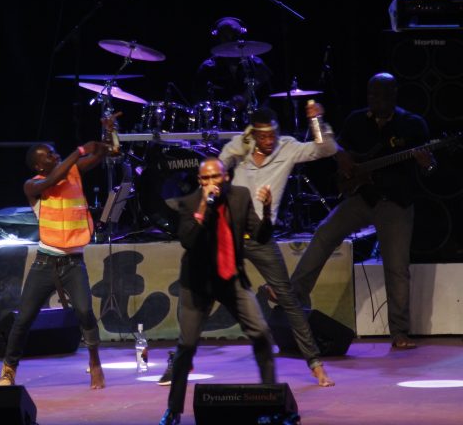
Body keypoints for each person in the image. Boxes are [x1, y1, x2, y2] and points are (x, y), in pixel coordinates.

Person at [290, 72, 435, 350]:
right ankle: (293, 298)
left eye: (380, 95)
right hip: (362, 198)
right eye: (371, 94)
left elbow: (429, 169)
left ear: (393, 95)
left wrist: (426, 163)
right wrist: (341, 157)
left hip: (395, 202)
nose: (374, 100)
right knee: (324, 233)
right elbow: (334, 148)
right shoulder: (356, 120)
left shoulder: (412, 124)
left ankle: (399, 332)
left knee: (396, 268)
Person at [221, 105, 336, 386]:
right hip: (231, 234)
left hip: (261, 236)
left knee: (289, 299)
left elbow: (327, 149)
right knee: (201, 290)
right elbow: (219, 166)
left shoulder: (287, 148)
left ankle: (315, 364)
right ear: (253, 134)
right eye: (263, 136)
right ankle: (182, 361)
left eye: (272, 134)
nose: (269, 140)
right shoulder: (241, 146)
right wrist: (239, 149)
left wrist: (316, 121)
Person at [159, 156, 277, 425]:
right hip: (197, 284)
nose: (211, 182)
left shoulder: (240, 197)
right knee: (187, 345)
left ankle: (271, 404)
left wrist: (268, 210)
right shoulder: (189, 202)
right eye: (205, 178)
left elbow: (260, 236)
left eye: (215, 177)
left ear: (226, 178)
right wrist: (204, 205)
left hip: (230, 278)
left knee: (261, 333)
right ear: (199, 181)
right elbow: (188, 240)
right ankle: (173, 409)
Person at [0, 139, 112, 390]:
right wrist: (79, 150)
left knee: (84, 312)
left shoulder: (73, 172)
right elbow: (53, 178)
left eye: (55, 152)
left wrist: (108, 134)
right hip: (44, 263)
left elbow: (101, 154)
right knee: (24, 319)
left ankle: (95, 361)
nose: (55, 156)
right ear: (39, 165)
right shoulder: (33, 185)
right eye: (49, 155)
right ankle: (8, 371)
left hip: (73, 262)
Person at [193, 16, 273, 128]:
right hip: (218, 125)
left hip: (253, 124)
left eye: (234, 36)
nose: (231, 40)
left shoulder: (256, 65)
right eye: (225, 37)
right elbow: (199, 101)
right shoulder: (207, 67)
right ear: (218, 39)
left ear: (241, 37)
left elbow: (268, 97)